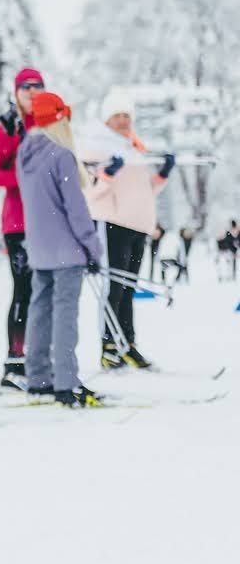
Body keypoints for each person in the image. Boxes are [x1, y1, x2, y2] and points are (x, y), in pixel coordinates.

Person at [15, 93, 104, 407]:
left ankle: (38, 376)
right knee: (65, 315)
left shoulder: (25, 153)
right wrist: (93, 248)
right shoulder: (61, 155)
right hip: (67, 251)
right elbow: (76, 210)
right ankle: (66, 382)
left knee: (39, 311)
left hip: (39, 249)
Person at [80, 95, 174, 370]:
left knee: (128, 288)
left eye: (127, 116)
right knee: (114, 287)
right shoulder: (96, 147)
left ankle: (127, 344)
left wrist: (163, 175)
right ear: (106, 119)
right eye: (117, 115)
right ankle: (109, 346)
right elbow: (89, 194)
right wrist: (107, 174)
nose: (123, 121)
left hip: (138, 226)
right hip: (113, 224)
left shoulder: (135, 149)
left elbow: (147, 190)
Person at [0, 67, 46, 389]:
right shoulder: (7, 127)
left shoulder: (52, 125)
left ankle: (38, 358)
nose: (32, 92)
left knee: (45, 292)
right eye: (26, 88)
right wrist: (20, 179)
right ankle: (14, 362)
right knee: (24, 289)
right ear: (16, 92)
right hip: (19, 223)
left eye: (38, 87)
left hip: (49, 222)